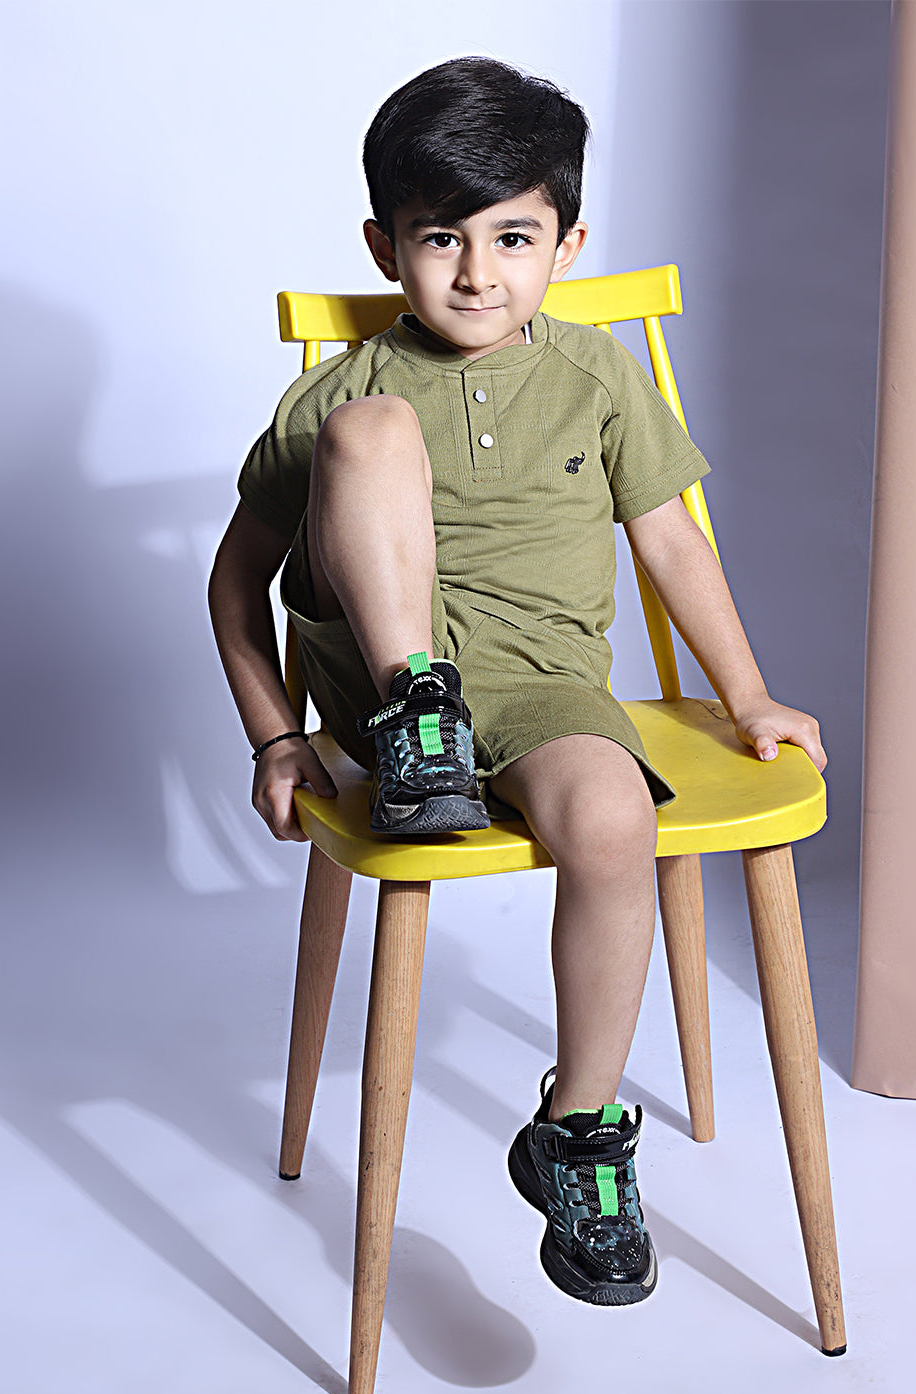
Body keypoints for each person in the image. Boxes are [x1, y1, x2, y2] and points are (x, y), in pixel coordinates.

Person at [208, 56, 826, 1308]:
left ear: (567, 244)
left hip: (546, 686)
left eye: (513, 237)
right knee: (375, 435)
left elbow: (669, 542)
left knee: (614, 817)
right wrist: (278, 737)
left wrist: (748, 693)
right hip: (382, 699)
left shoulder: (597, 375)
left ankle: (578, 1129)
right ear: (384, 247)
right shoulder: (339, 395)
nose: (477, 273)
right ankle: (418, 716)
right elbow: (235, 585)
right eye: (441, 237)